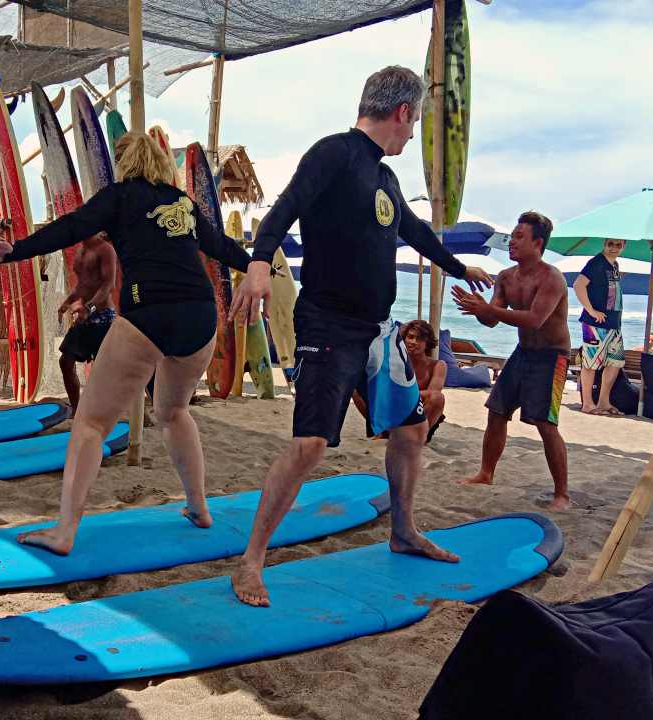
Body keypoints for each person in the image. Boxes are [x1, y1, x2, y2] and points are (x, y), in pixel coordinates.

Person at [228, 66, 495, 607]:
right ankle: (250, 562)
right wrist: (258, 263)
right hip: (328, 326)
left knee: (411, 430)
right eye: (414, 120)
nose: (413, 130)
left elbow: (416, 234)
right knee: (309, 446)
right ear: (402, 113)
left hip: (379, 331)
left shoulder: (388, 180)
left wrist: (459, 267)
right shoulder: (334, 153)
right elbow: (284, 209)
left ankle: (403, 530)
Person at [0, 132, 252, 556]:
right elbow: (220, 246)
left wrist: (14, 251)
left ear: (124, 164)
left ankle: (65, 531)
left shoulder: (121, 196)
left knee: (90, 424)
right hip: (201, 317)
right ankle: (199, 507)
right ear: (161, 162)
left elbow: (71, 227)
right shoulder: (183, 204)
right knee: (173, 410)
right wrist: (262, 263)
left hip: (149, 314)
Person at [453, 211, 572, 511]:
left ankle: (562, 494)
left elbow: (534, 320)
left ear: (538, 243)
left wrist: (488, 310)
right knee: (497, 411)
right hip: (523, 352)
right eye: (512, 236)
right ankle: (486, 473)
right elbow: (492, 321)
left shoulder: (552, 278)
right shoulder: (506, 277)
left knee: (546, 423)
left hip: (553, 356)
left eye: (520, 237)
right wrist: (478, 309)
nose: (512, 242)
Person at [352, 319, 447, 441]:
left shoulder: (438, 365)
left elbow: (433, 392)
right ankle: (384, 431)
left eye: (419, 339)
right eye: (410, 337)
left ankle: (417, 438)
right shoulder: (395, 359)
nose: (413, 342)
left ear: (427, 343)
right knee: (357, 390)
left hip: (418, 415)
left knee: (437, 398)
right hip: (393, 411)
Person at [55, 232, 119, 414]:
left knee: (108, 367)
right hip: (85, 317)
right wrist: (67, 302)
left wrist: (89, 306)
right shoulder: (81, 250)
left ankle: (132, 411)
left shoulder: (106, 250)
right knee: (65, 361)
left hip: (103, 316)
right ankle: (77, 410)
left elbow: (109, 285)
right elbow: (82, 285)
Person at [573, 238, 626, 415]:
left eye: (618, 245)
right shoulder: (596, 263)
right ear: (604, 244)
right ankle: (588, 403)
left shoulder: (615, 265)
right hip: (594, 323)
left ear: (623, 246)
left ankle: (604, 401)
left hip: (614, 324)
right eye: (610, 244)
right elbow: (578, 285)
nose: (613, 248)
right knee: (590, 363)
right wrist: (591, 310)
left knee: (615, 362)